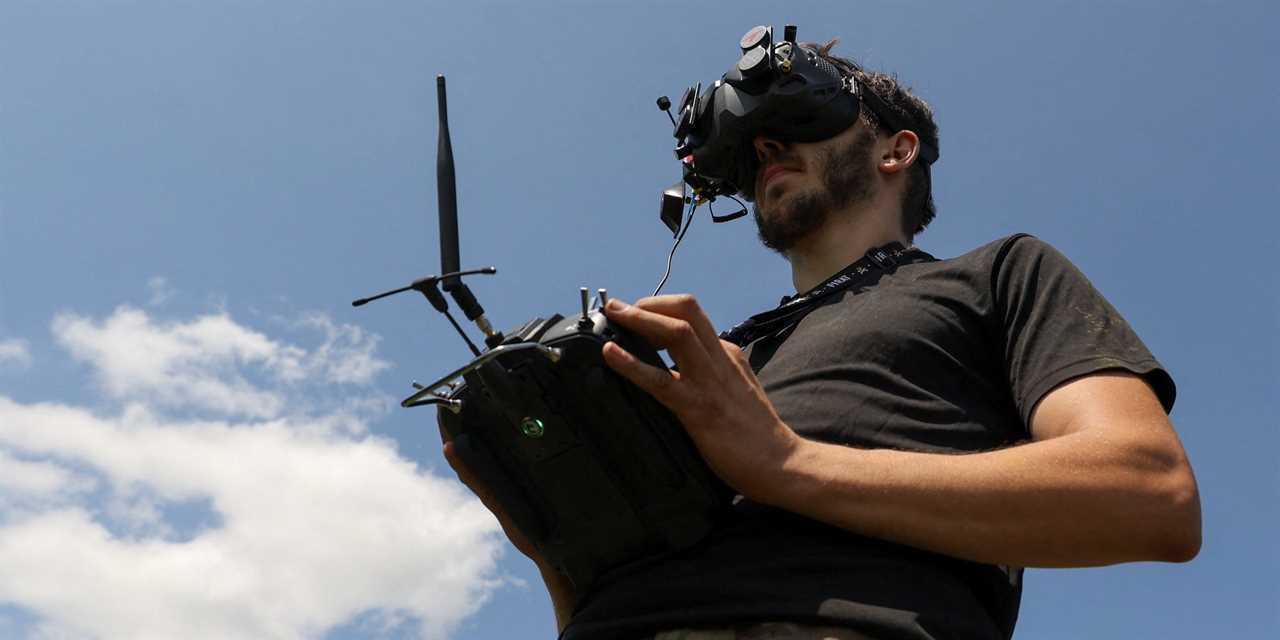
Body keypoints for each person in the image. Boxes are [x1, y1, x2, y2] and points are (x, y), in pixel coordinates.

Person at [445, 37, 1201, 640]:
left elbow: (1148, 495)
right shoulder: (723, 355)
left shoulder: (997, 273)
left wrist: (788, 463)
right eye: (753, 145)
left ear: (894, 151)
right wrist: (563, 554)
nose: (767, 148)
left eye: (801, 124)